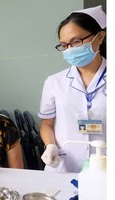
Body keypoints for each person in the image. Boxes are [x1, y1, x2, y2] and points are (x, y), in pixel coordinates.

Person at [38, 5, 106, 173]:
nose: (70, 49)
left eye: (76, 41)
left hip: (107, 166)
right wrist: (50, 145)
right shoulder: (54, 82)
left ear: (100, 37)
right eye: (64, 45)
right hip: (64, 165)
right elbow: (47, 123)